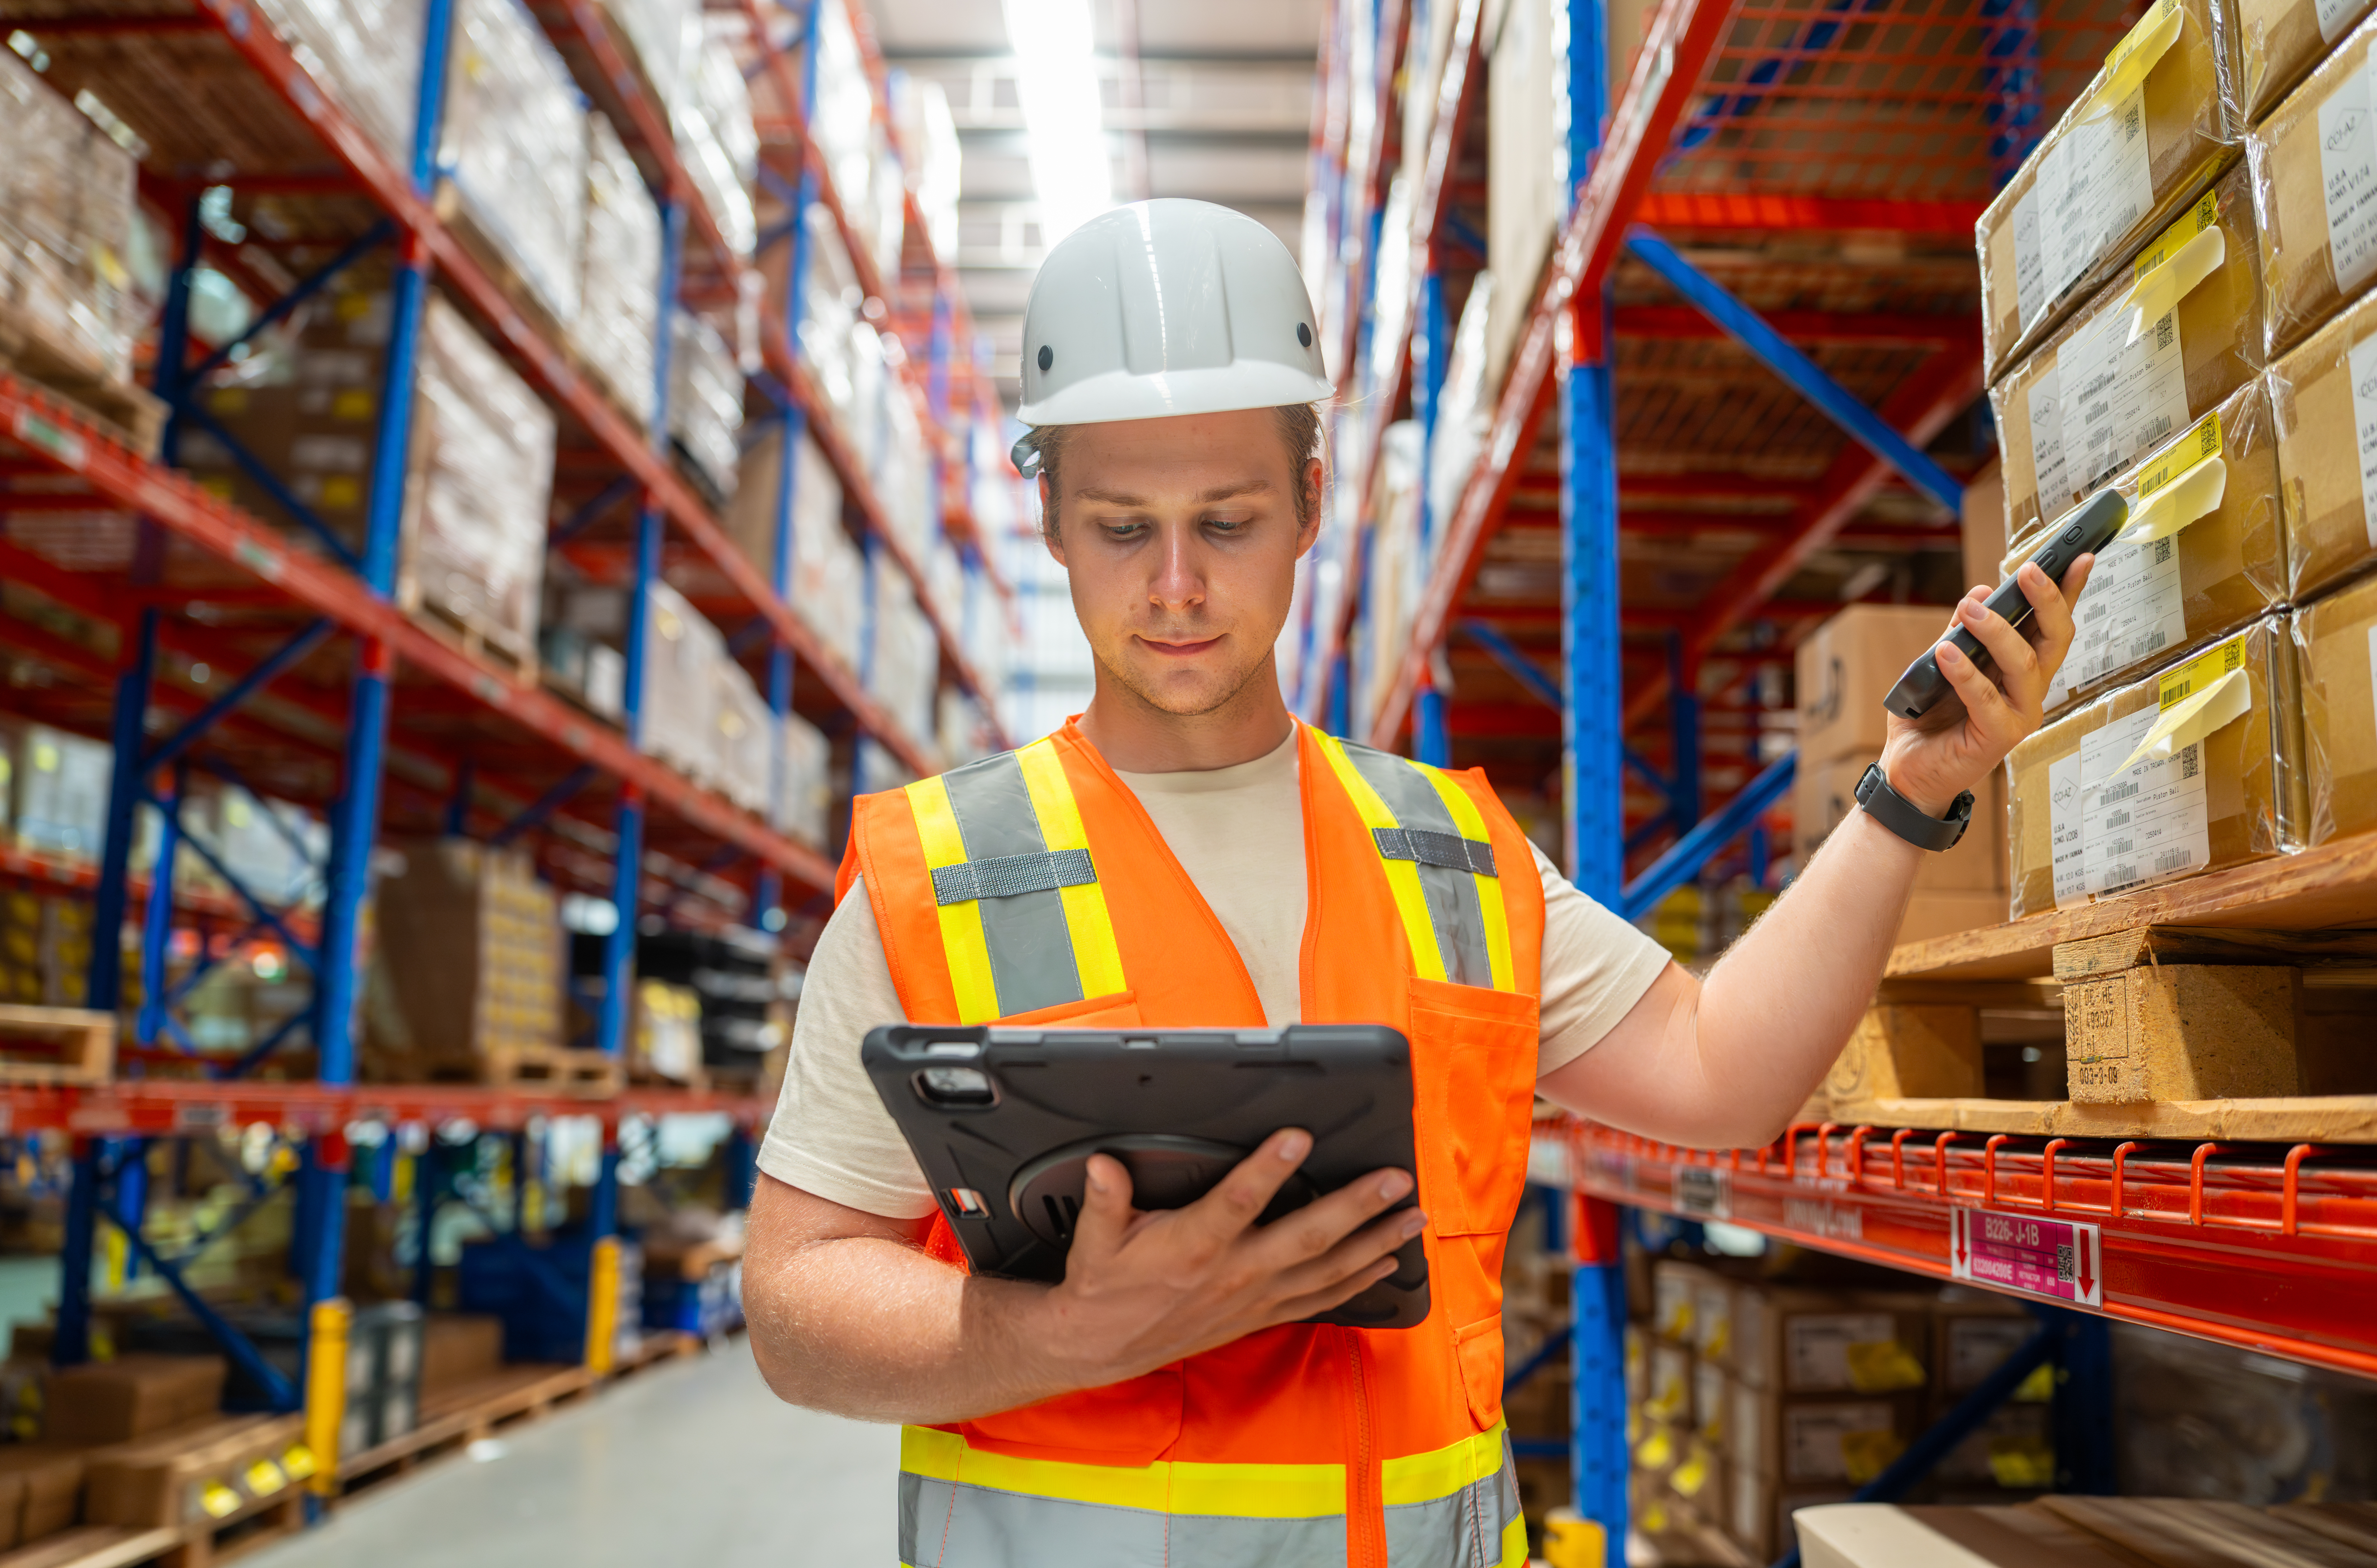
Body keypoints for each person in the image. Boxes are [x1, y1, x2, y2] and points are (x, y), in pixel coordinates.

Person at [741, 199, 2086, 1566]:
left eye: (1228, 520)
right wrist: (1064, 1332)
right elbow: (795, 1303)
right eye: (1120, 528)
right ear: (1046, 518)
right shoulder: (945, 870)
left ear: (1313, 501)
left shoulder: (1441, 852)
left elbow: (1724, 1077)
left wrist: (1908, 791)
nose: (1177, 584)